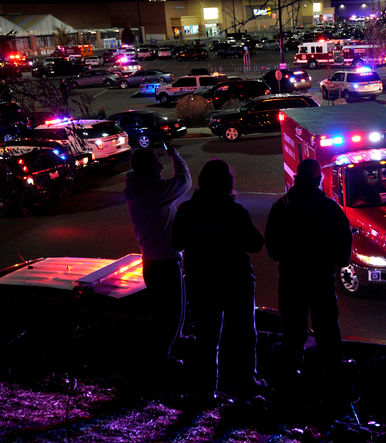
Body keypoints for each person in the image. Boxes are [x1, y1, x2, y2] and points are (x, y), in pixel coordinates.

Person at [172, 159, 265, 404]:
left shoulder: (187, 211)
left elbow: (176, 242)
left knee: (206, 337)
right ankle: (245, 385)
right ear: (228, 183)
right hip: (236, 280)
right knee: (244, 334)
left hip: (201, 281)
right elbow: (255, 244)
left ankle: (205, 390)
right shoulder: (235, 212)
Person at [265, 159, 352, 406]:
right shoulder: (329, 208)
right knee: (327, 328)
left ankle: (291, 380)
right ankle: (333, 376)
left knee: (293, 330)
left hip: (291, 279)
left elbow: (272, 249)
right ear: (318, 180)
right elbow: (343, 247)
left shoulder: (281, 207)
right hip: (320, 278)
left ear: (295, 179)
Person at [124, 144, 191, 368]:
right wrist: (175, 154)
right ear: (146, 168)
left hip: (155, 263)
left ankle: (167, 351)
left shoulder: (141, 190)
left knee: (166, 314)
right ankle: (162, 361)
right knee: (171, 314)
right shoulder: (152, 193)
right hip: (165, 263)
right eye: (156, 161)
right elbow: (184, 181)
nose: (160, 166)